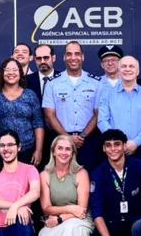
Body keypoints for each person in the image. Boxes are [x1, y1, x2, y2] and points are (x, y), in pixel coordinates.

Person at [29, 135, 94, 236]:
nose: (64, 152)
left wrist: (61, 218)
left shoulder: (81, 173)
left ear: (73, 153)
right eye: (60, 148)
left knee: (72, 228)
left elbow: (82, 209)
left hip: (80, 219)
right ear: (53, 151)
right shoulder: (44, 175)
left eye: (68, 149)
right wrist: (70, 209)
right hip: (55, 217)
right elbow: (46, 208)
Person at [90, 129, 141, 236]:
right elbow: (97, 210)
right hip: (112, 222)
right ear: (103, 148)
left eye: (117, 144)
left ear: (124, 146)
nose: (113, 149)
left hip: (135, 219)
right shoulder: (98, 173)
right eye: (108, 145)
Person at [42, 41, 101, 171]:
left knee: (89, 180)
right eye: (69, 54)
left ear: (83, 57)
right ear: (64, 57)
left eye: (77, 54)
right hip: (60, 141)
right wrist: (67, 138)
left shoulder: (96, 83)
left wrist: (83, 135)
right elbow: (50, 115)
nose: (73, 57)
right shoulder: (52, 84)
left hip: (88, 141)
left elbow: (98, 114)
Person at [97, 56, 141, 159]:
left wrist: (136, 142)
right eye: (124, 66)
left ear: (137, 71)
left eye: (131, 66)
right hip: (114, 151)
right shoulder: (107, 95)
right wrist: (117, 142)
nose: (128, 69)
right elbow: (102, 121)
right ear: (119, 71)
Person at [0, 56, 44, 167]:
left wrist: (39, 150)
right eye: (7, 70)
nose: (11, 73)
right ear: (2, 73)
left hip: (27, 150)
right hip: (2, 150)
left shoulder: (30, 95)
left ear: (20, 73)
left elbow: (38, 123)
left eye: (14, 70)